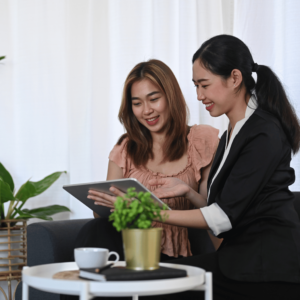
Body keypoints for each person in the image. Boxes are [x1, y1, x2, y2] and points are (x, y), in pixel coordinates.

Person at [109, 35, 300, 299]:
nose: (199, 95)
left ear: (234, 78)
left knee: (154, 285)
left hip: (265, 267)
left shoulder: (263, 133)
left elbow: (222, 217)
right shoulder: (233, 132)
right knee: (147, 280)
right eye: (196, 86)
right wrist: (186, 192)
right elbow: (223, 207)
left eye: (204, 85)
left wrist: (154, 213)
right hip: (239, 262)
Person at [75, 59, 220, 262]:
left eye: (153, 99)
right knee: (97, 228)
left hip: (185, 249)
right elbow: (101, 217)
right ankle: (87, 290)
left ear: (170, 97)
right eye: (137, 103)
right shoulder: (125, 148)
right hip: (133, 246)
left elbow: (213, 211)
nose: (146, 111)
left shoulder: (200, 140)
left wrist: (188, 192)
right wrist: (113, 205)